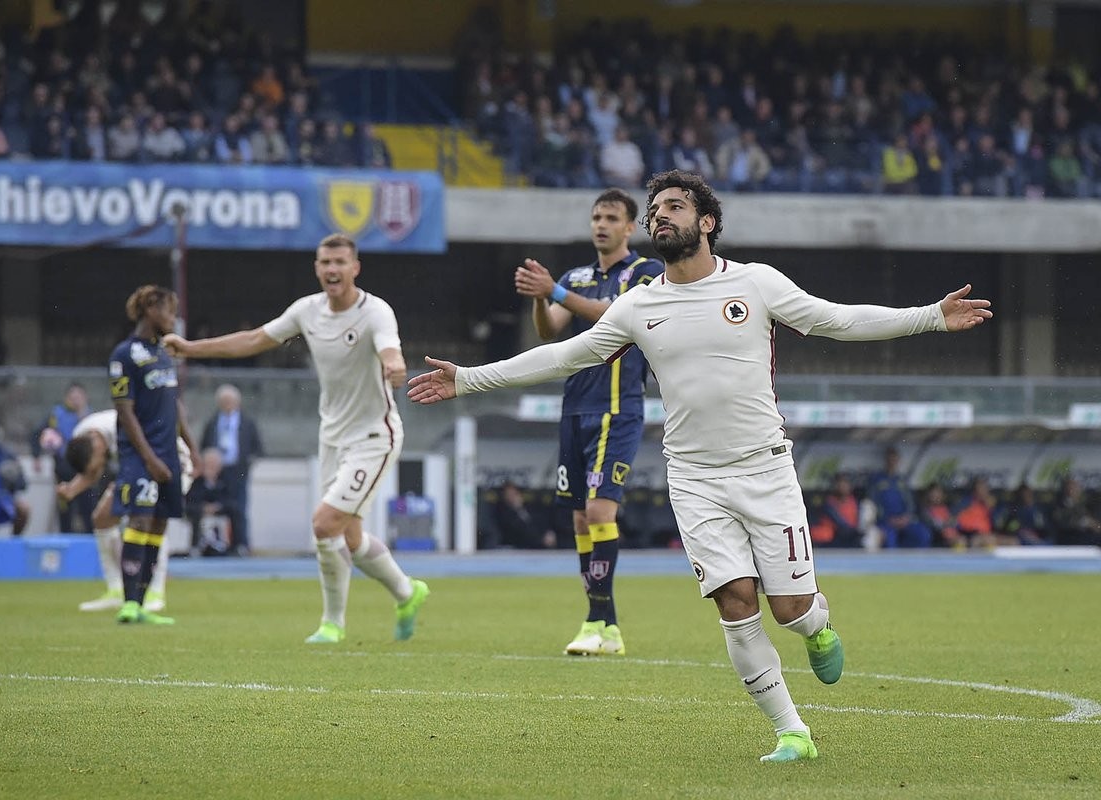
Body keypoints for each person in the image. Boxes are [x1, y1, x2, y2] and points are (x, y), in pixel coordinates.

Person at [407, 168, 992, 763]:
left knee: (790, 610)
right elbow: (564, 356)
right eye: (655, 208)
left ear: (706, 221)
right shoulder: (638, 305)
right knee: (735, 602)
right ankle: (792, 732)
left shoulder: (756, 283)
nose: (660, 215)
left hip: (766, 469)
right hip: (694, 479)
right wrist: (469, 379)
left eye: (674, 206)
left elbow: (836, 320)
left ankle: (817, 626)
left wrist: (930, 316)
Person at [163, 233, 430, 643]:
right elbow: (254, 339)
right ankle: (407, 593)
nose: (332, 269)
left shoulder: (375, 311)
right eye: (325, 262)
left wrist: (394, 366)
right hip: (332, 437)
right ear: (317, 268)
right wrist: (190, 348)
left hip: (375, 436)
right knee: (351, 538)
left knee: (324, 523)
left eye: (340, 262)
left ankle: (332, 624)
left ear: (355, 268)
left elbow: (389, 350)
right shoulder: (307, 310)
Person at [513, 187, 664, 656]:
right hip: (574, 407)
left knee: (600, 511)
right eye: (597, 217)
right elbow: (548, 330)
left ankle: (596, 621)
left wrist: (555, 292)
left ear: (630, 227)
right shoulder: (576, 277)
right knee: (580, 518)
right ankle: (605, 624)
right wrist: (541, 298)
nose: (601, 224)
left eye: (612, 218)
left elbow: (616, 318)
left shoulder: (645, 273)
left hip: (618, 409)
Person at [106, 285, 198, 625]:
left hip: (168, 454)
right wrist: (149, 458)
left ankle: (142, 603)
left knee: (158, 524)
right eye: (168, 311)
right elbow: (125, 411)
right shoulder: (124, 354)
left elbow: (175, 405)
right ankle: (128, 602)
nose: (173, 317)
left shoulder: (164, 352)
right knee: (139, 519)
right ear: (149, 309)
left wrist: (192, 449)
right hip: (140, 455)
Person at [60, 408, 197, 613]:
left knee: (153, 520)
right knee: (102, 518)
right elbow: (91, 471)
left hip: (173, 462)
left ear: (97, 445)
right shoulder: (83, 436)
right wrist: (72, 489)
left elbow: (145, 454)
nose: (101, 466)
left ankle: (154, 593)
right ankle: (116, 590)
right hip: (138, 465)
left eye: (100, 460)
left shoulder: (122, 430)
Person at [199, 384, 263, 555]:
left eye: (230, 401)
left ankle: (241, 544)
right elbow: (204, 445)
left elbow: (257, 447)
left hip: (238, 471)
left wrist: (247, 463)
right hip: (217, 471)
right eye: (224, 401)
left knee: (239, 507)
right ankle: (210, 544)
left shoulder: (247, 423)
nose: (227, 404)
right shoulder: (212, 422)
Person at [35, 382, 94, 533]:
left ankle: (90, 537)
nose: (75, 400)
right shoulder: (56, 414)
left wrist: (82, 414)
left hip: (85, 468)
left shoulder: (90, 415)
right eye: (72, 397)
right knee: (65, 508)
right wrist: (37, 456)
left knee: (87, 506)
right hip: (64, 468)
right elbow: (39, 433)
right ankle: (65, 535)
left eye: (79, 396)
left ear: (85, 397)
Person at [867, 447, 933, 548]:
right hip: (885, 522)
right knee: (889, 541)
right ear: (885, 460)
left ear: (898, 461)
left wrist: (906, 517)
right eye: (890, 459)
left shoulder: (902, 480)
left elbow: (910, 503)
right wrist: (887, 519)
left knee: (924, 535)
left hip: (904, 520)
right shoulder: (877, 480)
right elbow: (873, 504)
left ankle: (912, 557)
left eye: (894, 460)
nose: (892, 462)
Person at [185, 447, 234, 556]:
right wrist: (204, 507)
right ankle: (196, 546)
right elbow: (191, 500)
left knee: (235, 511)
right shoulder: (197, 481)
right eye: (209, 464)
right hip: (199, 511)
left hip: (219, 511)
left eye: (214, 465)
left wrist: (217, 507)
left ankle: (234, 547)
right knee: (195, 513)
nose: (212, 468)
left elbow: (230, 499)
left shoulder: (225, 480)